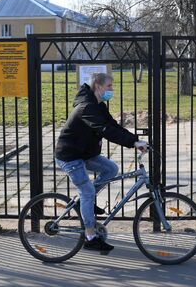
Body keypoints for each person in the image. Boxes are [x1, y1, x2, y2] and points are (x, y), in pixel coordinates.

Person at [55, 72, 147, 253]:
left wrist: (134, 141)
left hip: (85, 153)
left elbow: (113, 125)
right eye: (109, 86)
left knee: (111, 169)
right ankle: (90, 237)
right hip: (70, 156)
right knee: (87, 191)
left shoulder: (98, 105)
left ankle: (84, 202)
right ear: (98, 86)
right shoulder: (87, 107)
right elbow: (105, 130)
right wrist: (133, 143)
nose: (111, 90)